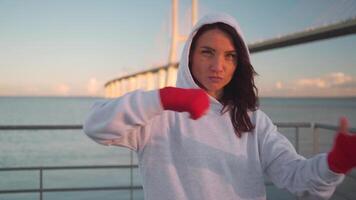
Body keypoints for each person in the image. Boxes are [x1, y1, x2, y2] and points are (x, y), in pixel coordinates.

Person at [83, 13, 356, 200]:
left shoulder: (253, 121)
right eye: (207, 52)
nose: (218, 66)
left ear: (240, 63)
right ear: (189, 55)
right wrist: (165, 98)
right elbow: (96, 126)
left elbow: (299, 179)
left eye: (230, 56)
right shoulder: (157, 114)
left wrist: (334, 164)